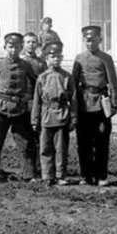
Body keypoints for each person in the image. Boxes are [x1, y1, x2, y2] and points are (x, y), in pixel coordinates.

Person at [0, 32, 39, 182]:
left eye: (16, 47)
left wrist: (29, 97)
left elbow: (36, 83)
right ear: (4, 47)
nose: (13, 50)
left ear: (21, 48)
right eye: (10, 47)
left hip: (20, 109)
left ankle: (29, 174)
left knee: (26, 142)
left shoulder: (26, 65)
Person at [71, 24, 117, 186]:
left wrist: (114, 104)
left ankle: (101, 175)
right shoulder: (79, 58)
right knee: (84, 141)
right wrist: (74, 106)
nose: (90, 43)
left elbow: (113, 82)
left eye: (94, 40)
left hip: (101, 103)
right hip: (84, 103)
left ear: (100, 40)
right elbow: (74, 84)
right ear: (84, 40)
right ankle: (86, 175)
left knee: (102, 140)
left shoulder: (106, 58)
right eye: (87, 40)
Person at [32, 42, 77, 186]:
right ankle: (47, 175)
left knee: (61, 148)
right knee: (45, 147)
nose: (55, 60)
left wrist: (73, 119)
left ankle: (60, 175)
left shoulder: (67, 77)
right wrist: (35, 119)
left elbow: (74, 99)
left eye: (58, 57)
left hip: (62, 114)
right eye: (52, 57)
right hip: (46, 115)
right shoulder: (42, 77)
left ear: (62, 57)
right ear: (47, 58)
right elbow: (37, 100)